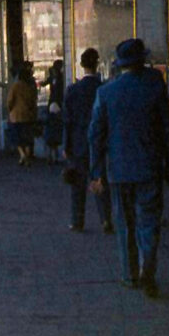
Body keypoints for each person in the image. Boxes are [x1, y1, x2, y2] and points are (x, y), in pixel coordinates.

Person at [89, 38, 169, 299]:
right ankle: (148, 265)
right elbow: (167, 129)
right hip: (149, 167)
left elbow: (95, 135)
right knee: (149, 221)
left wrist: (96, 172)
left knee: (124, 222)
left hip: (119, 169)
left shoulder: (105, 93)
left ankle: (130, 274)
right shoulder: (154, 87)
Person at [63, 48, 112, 234]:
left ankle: (77, 221)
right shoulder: (104, 89)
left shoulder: (73, 90)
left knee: (77, 184)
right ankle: (105, 218)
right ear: (97, 64)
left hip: (78, 142)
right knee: (100, 179)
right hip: (101, 142)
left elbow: (67, 120)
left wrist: (66, 145)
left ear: (82, 66)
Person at [7, 66, 38, 167]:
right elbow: (33, 101)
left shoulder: (15, 86)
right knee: (27, 137)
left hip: (16, 116)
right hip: (28, 115)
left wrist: (10, 109)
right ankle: (26, 157)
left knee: (17, 138)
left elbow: (10, 101)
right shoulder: (30, 87)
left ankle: (22, 154)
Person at [42, 60, 65, 164]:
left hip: (52, 103)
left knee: (51, 130)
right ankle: (54, 154)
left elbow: (44, 84)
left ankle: (51, 154)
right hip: (57, 103)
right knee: (55, 129)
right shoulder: (60, 77)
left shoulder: (53, 77)